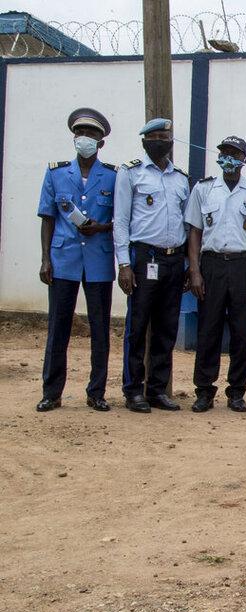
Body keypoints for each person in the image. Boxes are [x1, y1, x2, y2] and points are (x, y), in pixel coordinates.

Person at [35, 108, 117, 412]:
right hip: (63, 259)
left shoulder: (112, 175)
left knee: (100, 329)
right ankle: (51, 392)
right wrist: (45, 259)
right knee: (58, 327)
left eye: (91, 134)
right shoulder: (56, 173)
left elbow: (121, 219)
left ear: (101, 142)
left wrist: (101, 227)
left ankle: (96, 392)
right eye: (80, 133)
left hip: (98, 261)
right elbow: (47, 217)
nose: (85, 138)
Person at [113, 118, 191, 413]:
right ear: (145, 141)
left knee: (166, 327)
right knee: (137, 326)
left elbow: (186, 224)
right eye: (155, 136)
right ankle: (133, 390)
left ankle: (157, 390)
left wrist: (187, 263)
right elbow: (120, 222)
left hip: (174, 259)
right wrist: (124, 263)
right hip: (144, 258)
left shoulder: (180, 178)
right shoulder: (131, 173)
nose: (161, 141)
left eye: (165, 137)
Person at [185, 136, 246, 413]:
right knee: (208, 329)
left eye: (235, 154)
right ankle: (204, 391)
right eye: (225, 153)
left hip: (243, 266)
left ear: (245, 159)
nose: (229, 158)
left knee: (241, 333)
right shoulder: (204, 189)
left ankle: (236, 392)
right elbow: (195, 232)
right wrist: (195, 271)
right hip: (211, 265)